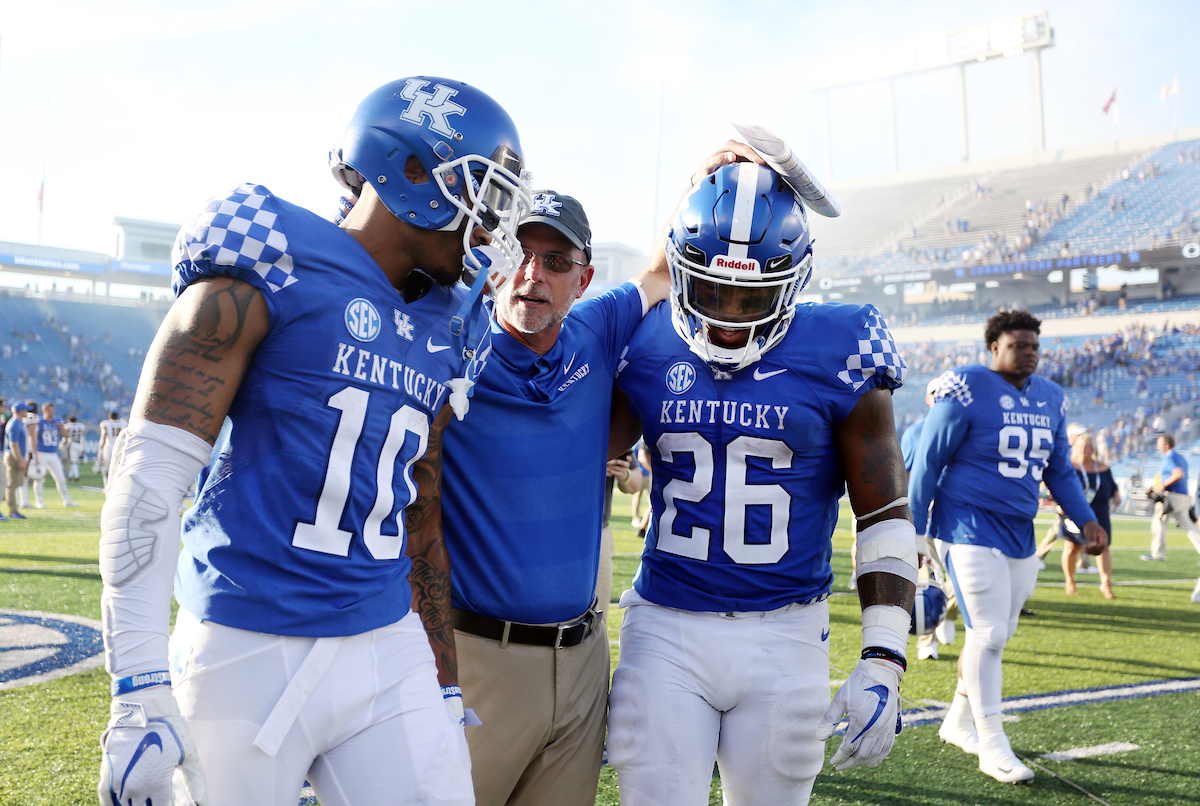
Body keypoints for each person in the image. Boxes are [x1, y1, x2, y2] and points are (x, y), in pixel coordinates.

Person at [97, 76, 530, 806]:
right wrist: (136, 684)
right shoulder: (269, 260)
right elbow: (147, 479)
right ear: (413, 172)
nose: (488, 230)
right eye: (481, 198)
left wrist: (445, 682)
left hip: (383, 640)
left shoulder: (454, 323)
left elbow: (420, 514)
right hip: (244, 643)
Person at [439, 144, 762, 806]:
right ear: (496, 263)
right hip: (478, 656)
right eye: (520, 254)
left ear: (581, 280)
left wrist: (702, 180)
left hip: (585, 659)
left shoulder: (594, 328)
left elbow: (661, 270)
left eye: (556, 262)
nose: (534, 274)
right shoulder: (453, 347)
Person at [607, 161, 917, 805]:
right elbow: (573, 470)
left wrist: (885, 654)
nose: (726, 317)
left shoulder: (842, 344)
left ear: (795, 280)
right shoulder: (642, 335)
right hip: (664, 626)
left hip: (787, 634)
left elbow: (884, 509)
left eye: (752, 296)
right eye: (710, 289)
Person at [910, 309, 1107, 784]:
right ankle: (992, 745)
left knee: (998, 631)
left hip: (1019, 530)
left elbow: (1058, 469)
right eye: (1019, 345)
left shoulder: (1051, 397)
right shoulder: (965, 386)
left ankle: (957, 721)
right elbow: (929, 459)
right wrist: (913, 530)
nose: (1030, 353)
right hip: (966, 525)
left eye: (1034, 346)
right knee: (989, 634)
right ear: (993, 348)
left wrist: (1086, 518)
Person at [901, 377, 958, 660]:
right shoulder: (916, 431)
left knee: (965, 582)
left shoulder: (965, 428)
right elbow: (907, 474)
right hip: (927, 509)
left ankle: (945, 612)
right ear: (928, 398)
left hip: (958, 513)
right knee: (924, 578)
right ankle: (926, 641)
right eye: (937, 394)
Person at [1060, 433, 1120, 598]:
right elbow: (1060, 486)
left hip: (1100, 511)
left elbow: (1113, 486)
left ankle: (1106, 584)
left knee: (1103, 546)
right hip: (1075, 512)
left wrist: (1116, 494)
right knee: (1072, 546)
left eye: (1087, 447)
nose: (1084, 450)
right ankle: (1070, 581)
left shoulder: (1103, 468)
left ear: (1093, 449)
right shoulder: (1070, 466)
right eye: (1081, 446)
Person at [29, 402, 78, 508]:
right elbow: (34, 438)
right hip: (41, 452)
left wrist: (62, 428)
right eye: (49, 411)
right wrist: (35, 454)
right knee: (40, 477)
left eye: (52, 410)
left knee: (60, 477)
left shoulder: (57, 421)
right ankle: (39, 501)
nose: (51, 413)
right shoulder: (40, 422)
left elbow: (67, 436)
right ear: (44, 411)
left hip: (52, 453)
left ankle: (67, 500)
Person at [3, 401, 30, 520]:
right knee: (12, 484)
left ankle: (13, 507)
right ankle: (13, 510)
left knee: (16, 483)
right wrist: (19, 460)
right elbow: (13, 444)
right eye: (25, 410)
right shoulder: (14, 424)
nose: (27, 412)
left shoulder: (18, 423)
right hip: (14, 456)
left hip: (16, 455)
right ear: (21, 411)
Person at [97, 410, 126, 486]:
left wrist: (100, 451)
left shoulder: (105, 424)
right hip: (120, 447)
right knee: (119, 468)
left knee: (106, 468)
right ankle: (117, 485)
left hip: (109, 447)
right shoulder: (123, 423)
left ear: (110, 417)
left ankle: (107, 486)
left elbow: (103, 437)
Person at [65, 415, 85, 482]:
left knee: (73, 462)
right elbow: (83, 435)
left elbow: (66, 436)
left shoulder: (68, 426)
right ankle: (70, 476)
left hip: (72, 443)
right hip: (79, 443)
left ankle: (76, 476)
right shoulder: (81, 425)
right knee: (74, 461)